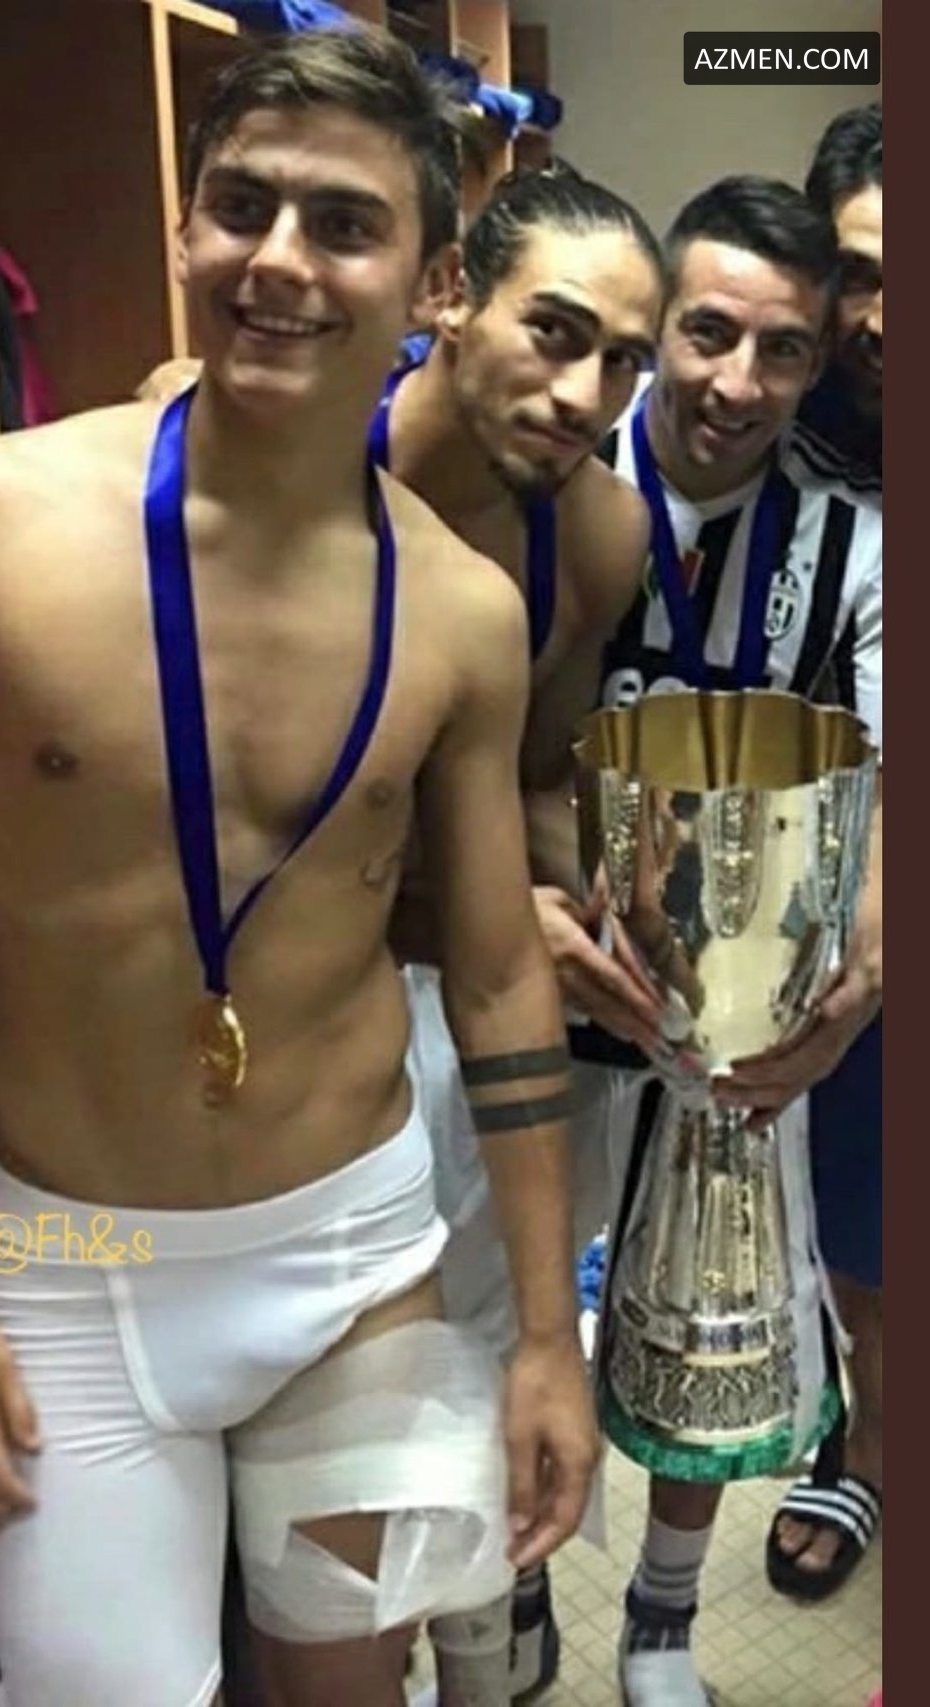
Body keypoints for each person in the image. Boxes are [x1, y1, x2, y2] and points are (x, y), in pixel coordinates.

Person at [0, 29, 598, 1707]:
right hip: (69, 1274)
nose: (280, 262)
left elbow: (498, 973)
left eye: (345, 224)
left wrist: (544, 1333)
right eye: (243, 207)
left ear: (436, 284)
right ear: (184, 226)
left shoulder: (463, 612)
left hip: (355, 1259)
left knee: (348, 1694)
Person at [512, 173, 881, 1706]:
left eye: (783, 350)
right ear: (656, 327)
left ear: (817, 362)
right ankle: (512, 1590)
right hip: (527, 987)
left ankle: (661, 1624)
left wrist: (864, 977)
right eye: (709, 334)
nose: (738, 382)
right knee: (505, 1317)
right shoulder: (539, 485)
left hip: (731, 1024)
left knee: (705, 1324)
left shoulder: (853, 546)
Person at [368, 162, 666, 1702]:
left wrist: (634, 923)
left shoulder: (596, 530)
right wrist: (492, 912)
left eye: (623, 361)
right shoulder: (289, 457)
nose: (584, 395)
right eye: (554, 332)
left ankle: (491, 1631)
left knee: (494, 1344)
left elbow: (528, 788)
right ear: (449, 299)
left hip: (455, 991)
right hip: (270, 1007)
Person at [765, 101, 883, 1606]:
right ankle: (861, 1437)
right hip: (820, 894)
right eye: (862, 272)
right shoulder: (762, 433)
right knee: (858, 1218)